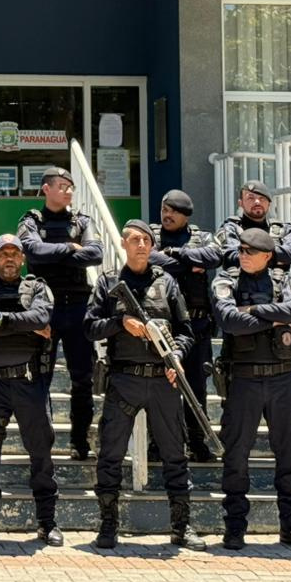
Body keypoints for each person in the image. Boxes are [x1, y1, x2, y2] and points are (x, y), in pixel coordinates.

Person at [85, 220, 205, 551]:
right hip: (124, 379)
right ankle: (108, 526)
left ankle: (182, 527)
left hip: (162, 379)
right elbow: (89, 327)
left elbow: (186, 330)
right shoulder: (110, 283)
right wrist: (120, 323)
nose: (141, 244)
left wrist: (177, 356)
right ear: (123, 244)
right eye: (135, 239)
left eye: (147, 240)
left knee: (174, 454)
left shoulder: (167, 283)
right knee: (110, 453)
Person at [212, 227, 291, 551]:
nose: (243, 255)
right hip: (243, 381)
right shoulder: (226, 280)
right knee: (236, 457)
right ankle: (234, 530)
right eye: (241, 250)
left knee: (289, 455)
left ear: (268, 255)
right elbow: (229, 321)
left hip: (282, 380)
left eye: (250, 251)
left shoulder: (284, 282)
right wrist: (273, 318)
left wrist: (253, 312)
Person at [0, 233, 62, 547]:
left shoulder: (38, 287)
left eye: (14, 253)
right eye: (3, 253)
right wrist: (25, 325)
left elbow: (43, 316)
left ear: (22, 258)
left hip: (28, 383)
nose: (9, 258)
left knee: (41, 453)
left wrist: (1, 321)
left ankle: (48, 523)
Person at [17, 166, 103, 460]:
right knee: (41, 378)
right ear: (46, 189)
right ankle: (41, 444)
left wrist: (53, 253)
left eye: (71, 187)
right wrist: (68, 248)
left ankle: (80, 442)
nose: (68, 191)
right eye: (63, 186)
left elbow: (95, 254)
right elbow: (31, 251)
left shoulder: (82, 220)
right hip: (45, 308)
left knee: (83, 378)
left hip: (78, 307)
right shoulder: (32, 220)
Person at [151, 189, 223, 461]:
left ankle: (196, 441)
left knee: (196, 387)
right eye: (164, 209)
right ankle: (158, 442)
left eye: (173, 211)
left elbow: (214, 256)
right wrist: (188, 260)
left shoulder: (202, 237)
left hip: (196, 324)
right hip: (162, 325)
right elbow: (151, 259)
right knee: (159, 388)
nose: (167, 214)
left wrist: (174, 254)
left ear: (185, 215)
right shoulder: (153, 235)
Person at [215, 180, 291, 271]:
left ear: (269, 204)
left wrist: (254, 256)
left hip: (278, 283)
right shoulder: (231, 228)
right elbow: (230, 257)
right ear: (240, 203)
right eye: (251, 198)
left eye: (262, 198)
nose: (257, 202)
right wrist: (276, 257)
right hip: (241, 283)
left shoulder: (283, 228)